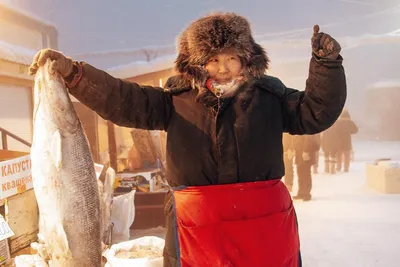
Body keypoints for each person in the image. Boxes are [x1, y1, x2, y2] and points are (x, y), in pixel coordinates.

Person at [29, 12, 346, 267]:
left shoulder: (270, 96)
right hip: (197, 225)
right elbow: (123, 99)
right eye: (213, 60)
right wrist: (74, 74)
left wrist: (326, 65)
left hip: (262, 223)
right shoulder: (174, 100)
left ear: (246, 59)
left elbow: (315, 112)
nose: (223, 68)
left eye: (231, 58)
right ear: (196, 63)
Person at [292, 134, 321, 201]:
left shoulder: (307, 128)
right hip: (299, 153)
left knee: (306, 174)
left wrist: (306, 151)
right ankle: (301, 192)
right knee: (300, 173)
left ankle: (307, 194)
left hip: (306, 153)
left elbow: (309, 139)